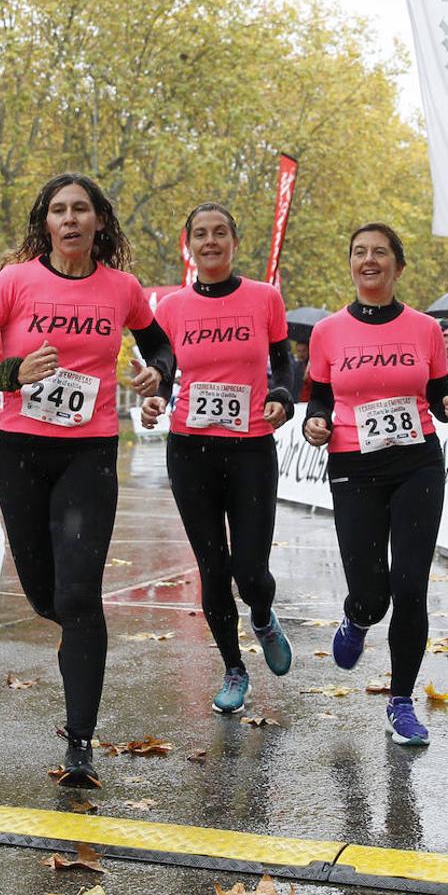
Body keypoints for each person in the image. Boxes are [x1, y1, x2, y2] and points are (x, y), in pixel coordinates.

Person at [0, 172, 173, 789]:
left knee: (79, 599)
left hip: (89, 455)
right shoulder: (15, 281)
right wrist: (10, 371)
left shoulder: (123, 289)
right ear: (45, 223)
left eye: (81, 210)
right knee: (48, 596)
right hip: (23, 452)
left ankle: (80, 743)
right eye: (59, 211)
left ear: (99, 222)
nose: (70, 219)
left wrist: (158, 376)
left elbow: (161, 350)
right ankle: (68, 628)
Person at [303, 222, 448, 747]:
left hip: (417, 461)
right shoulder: (328, 332)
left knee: (411, 585)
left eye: (379, 253)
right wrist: (315, 423)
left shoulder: (425, 329)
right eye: (359, 253)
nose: (368, 260)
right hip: (354, 464)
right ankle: (357, 618)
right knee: (372, 593)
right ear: (350, 264)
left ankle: (401, 701)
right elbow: (321, 398)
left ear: (398, 265)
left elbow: (441, 393)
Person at [140, 202, 295, 715]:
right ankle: (233, 667)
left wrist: (281, 395)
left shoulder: (264, 298)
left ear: (234, 241)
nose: (210, 242)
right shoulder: (172, 307)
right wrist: (155, 396)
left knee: (251, 570)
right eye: (201, 234)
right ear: (189, 244)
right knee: (212, 567)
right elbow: (162, 368)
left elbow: (282, 362)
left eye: (220, 233)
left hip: (251, 446)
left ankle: (265, 617)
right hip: (191, 449)